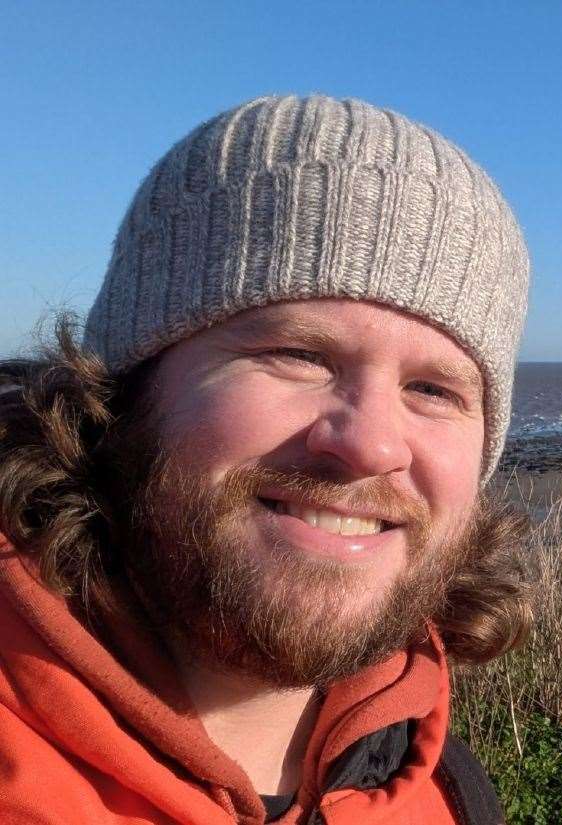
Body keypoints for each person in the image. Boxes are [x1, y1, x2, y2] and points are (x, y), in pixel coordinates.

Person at [0, 95, 533, 824]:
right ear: (123, 384)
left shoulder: (442, 789)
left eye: (434, 389)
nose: (371, 444)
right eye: (297, 353)